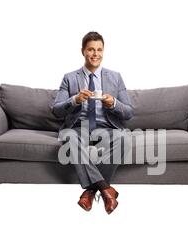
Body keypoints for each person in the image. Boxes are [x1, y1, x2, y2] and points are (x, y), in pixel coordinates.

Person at [52, 31, 133, 214]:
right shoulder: (69, 78)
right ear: (83, 51)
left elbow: (129, 112)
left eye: (99, 50)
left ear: (103, 51)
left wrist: (114, 103)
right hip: (79, 127)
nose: (95, 54)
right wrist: (75, 100)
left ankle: (90, 191)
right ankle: (106, 189)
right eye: (91, 49)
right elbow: (56, 109)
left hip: (107, 127)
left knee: (124, 139)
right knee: (70, 139)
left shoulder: (115, 77)